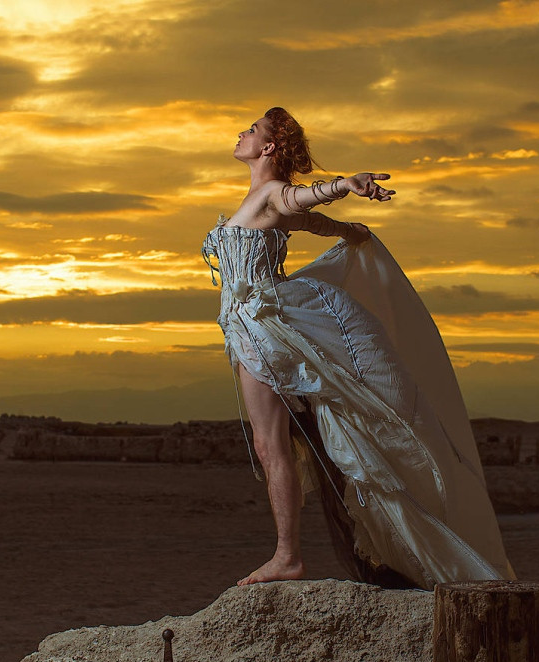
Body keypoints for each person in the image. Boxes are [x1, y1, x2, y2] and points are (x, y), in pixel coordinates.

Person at [202, 107, 516, 590]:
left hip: (265, 326)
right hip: (249, 326)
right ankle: (289, 554)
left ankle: (288, 556)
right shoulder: (260, 199)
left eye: (252, 130)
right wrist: (350, 232)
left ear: (268, 147)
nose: (240, 133)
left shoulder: (272, 193)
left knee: (272, 445)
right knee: (273, 444)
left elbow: (300, 197)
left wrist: (344, 185)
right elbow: (313, 222)